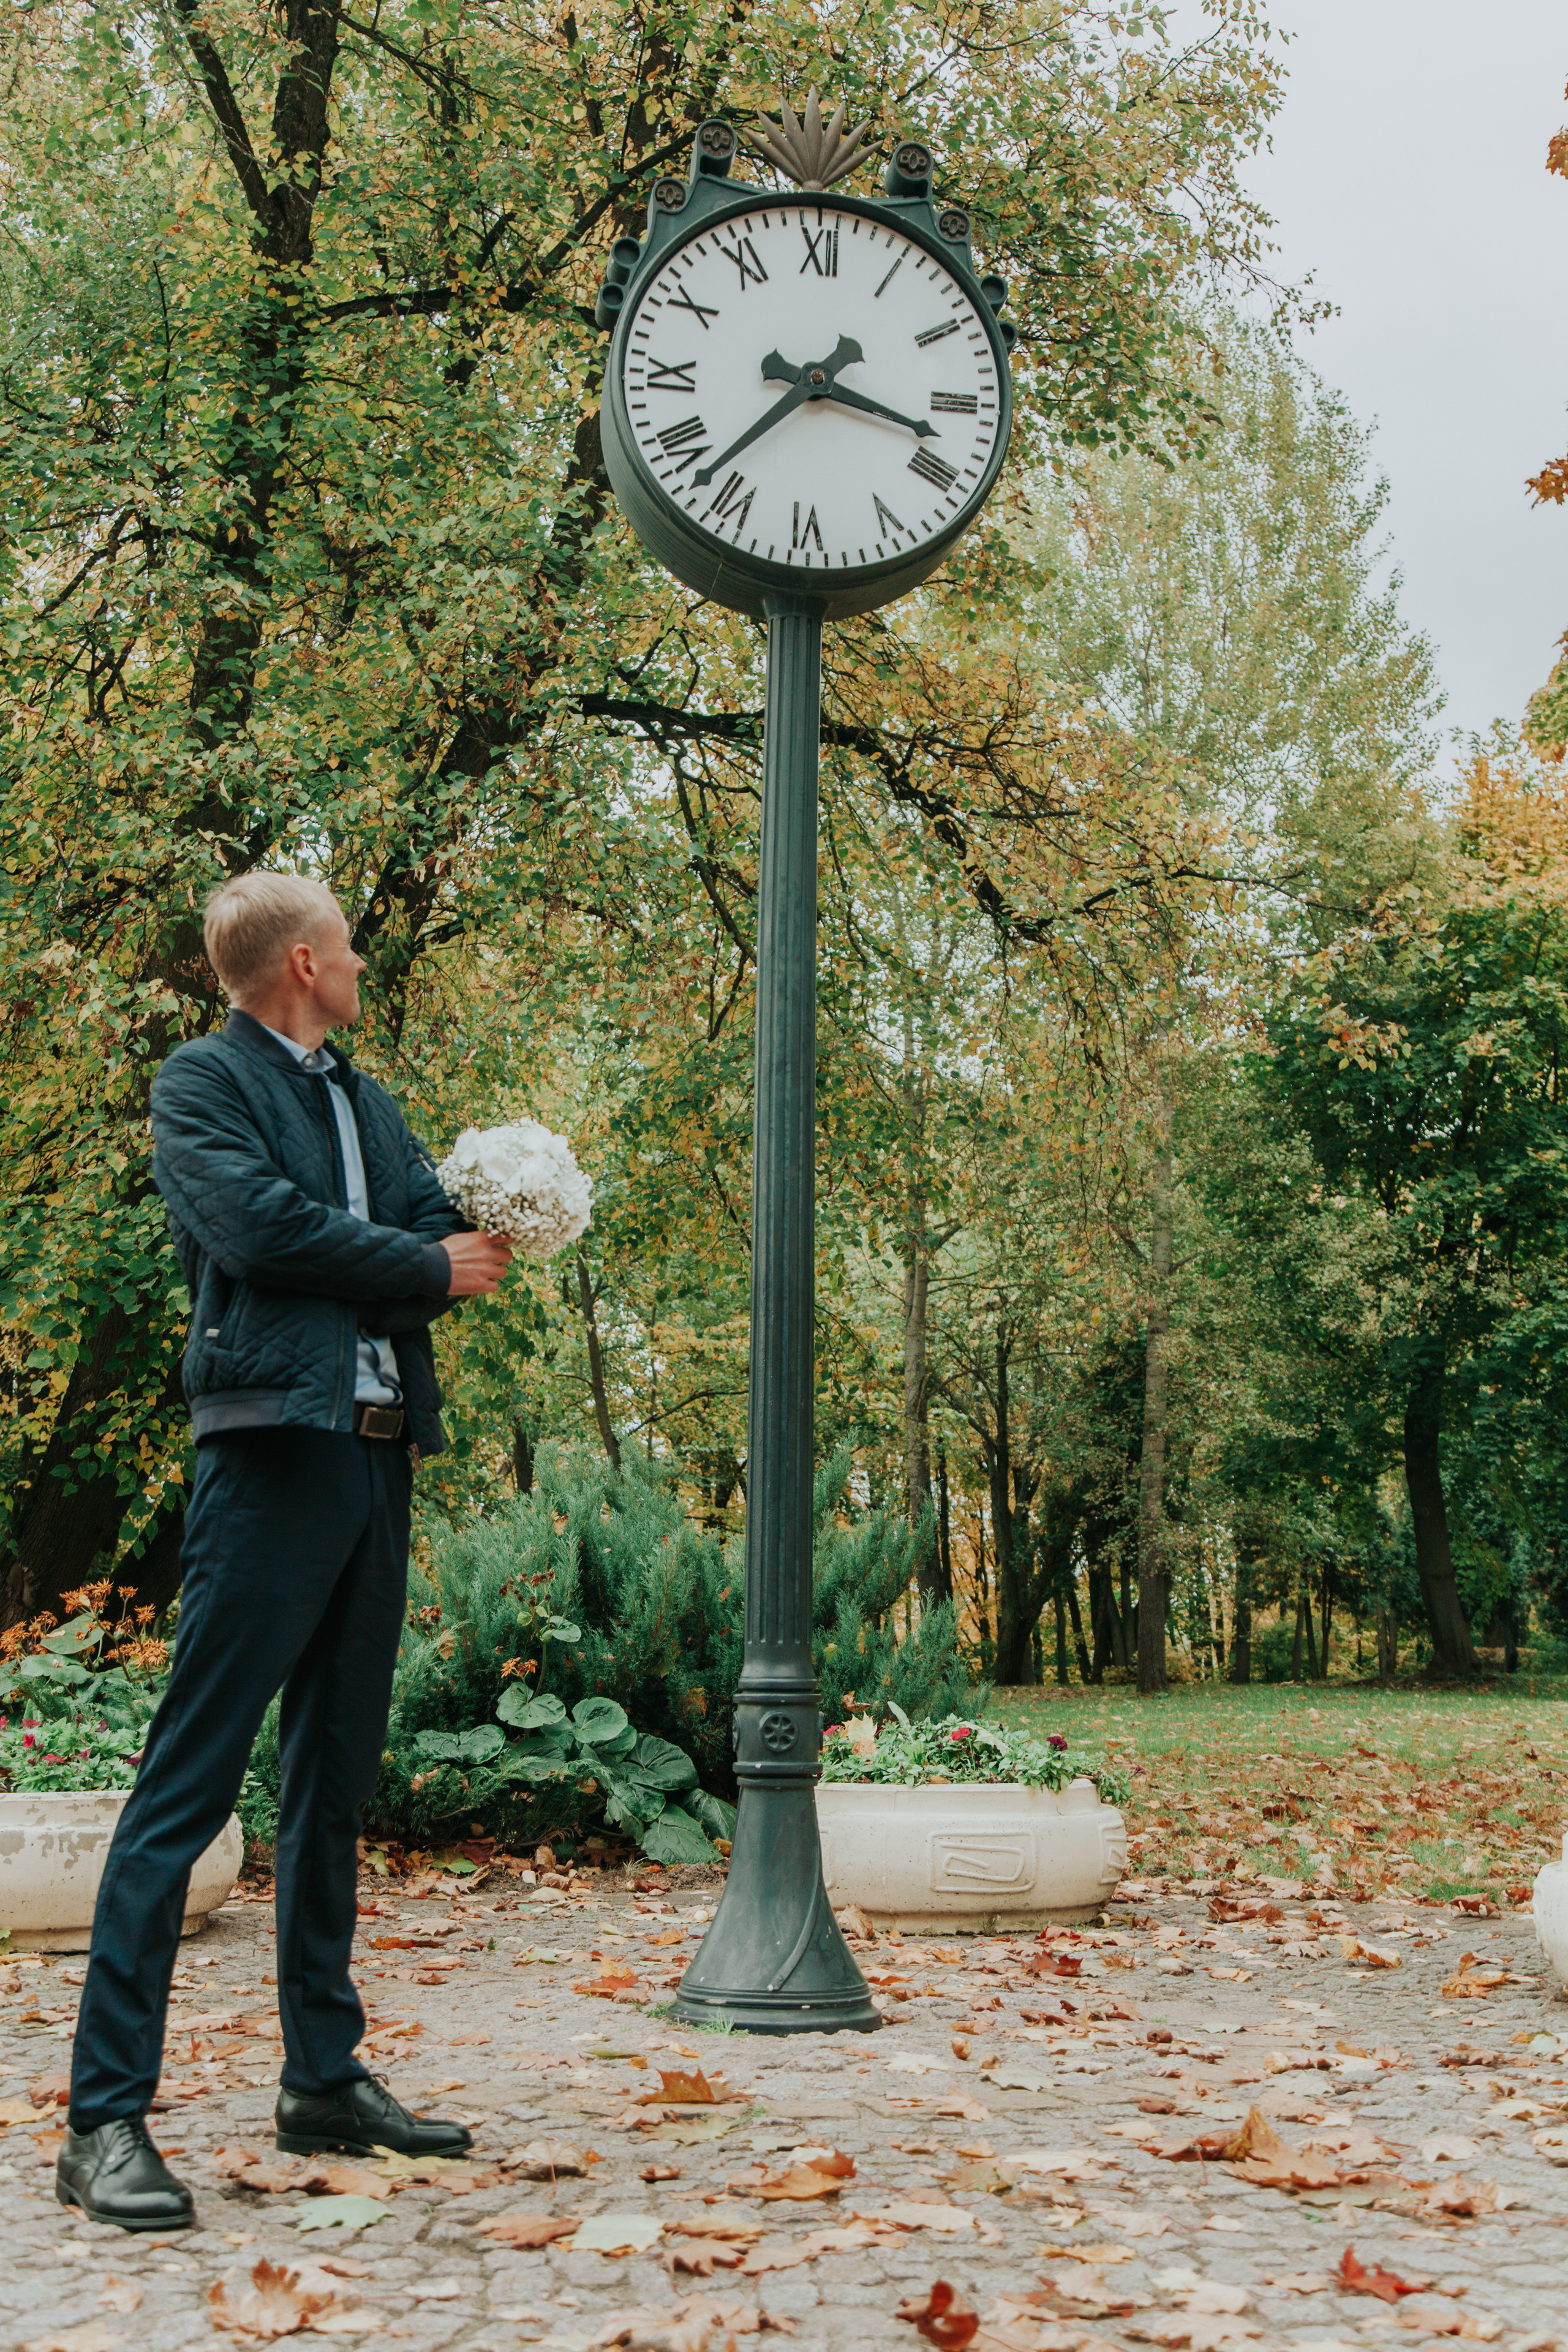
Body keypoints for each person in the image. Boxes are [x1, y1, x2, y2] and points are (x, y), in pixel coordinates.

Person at [59, 873, 514, 2232]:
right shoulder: (200, 1087)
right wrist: (423, 1272)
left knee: (334, 1780)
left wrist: (475, 1231)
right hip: (267, 1456)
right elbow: (258, 1231)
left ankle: (321, 2075)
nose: (363, 960)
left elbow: (428, 1214)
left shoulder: (361, 1097)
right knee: (187, 1784)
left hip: (375, 1456)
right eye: (352, 946)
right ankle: (102, 2122)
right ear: (305, 963)